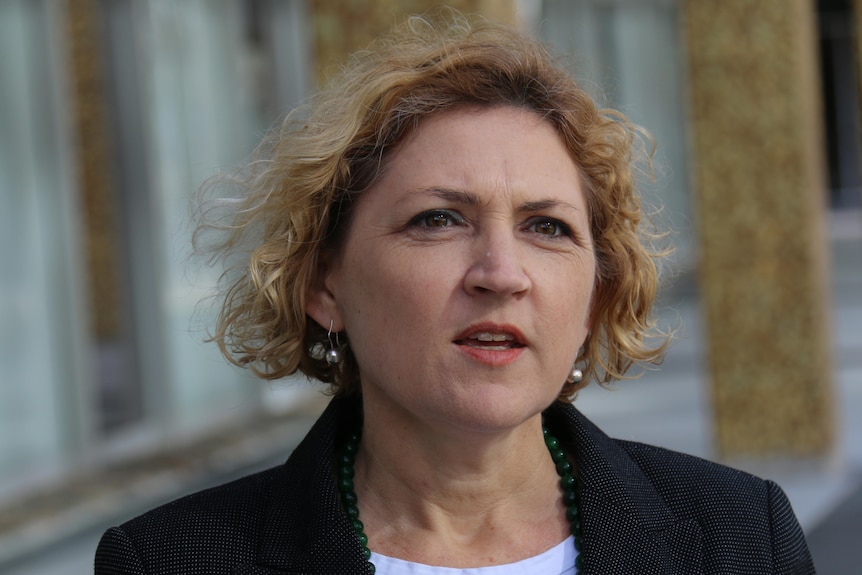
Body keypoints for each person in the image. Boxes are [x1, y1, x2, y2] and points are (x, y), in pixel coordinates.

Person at [94, 12, 815, 575]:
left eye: (547, 227)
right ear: (322, 282)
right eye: (438, 220)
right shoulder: (171, 559)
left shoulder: (740, 536)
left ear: (596, 294)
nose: (501, 272)